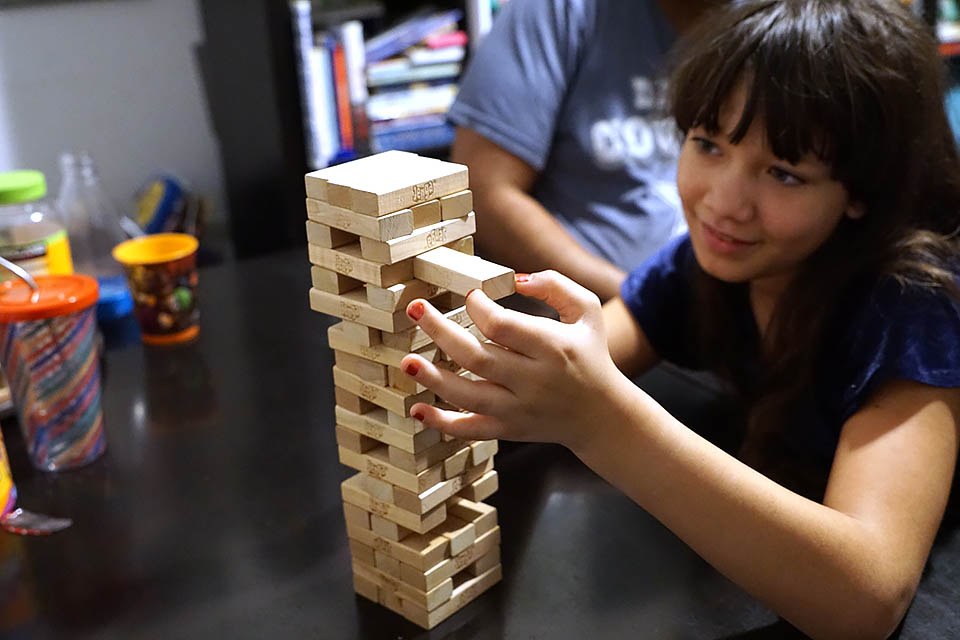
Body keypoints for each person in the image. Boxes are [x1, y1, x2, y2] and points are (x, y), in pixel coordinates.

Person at [399, 0, 960, 636]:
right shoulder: (710, 269)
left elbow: (865, 598)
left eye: (783, 172)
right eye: (707, 143)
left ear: (862, 191)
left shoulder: (912, 310)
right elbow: (589, 355)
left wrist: (601, 419)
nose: (723, 203)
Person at [448, 0, 722, 302]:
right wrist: (644, 307)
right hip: (594, 312)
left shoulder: (765, 24)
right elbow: (484, 192)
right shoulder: (558, 11)